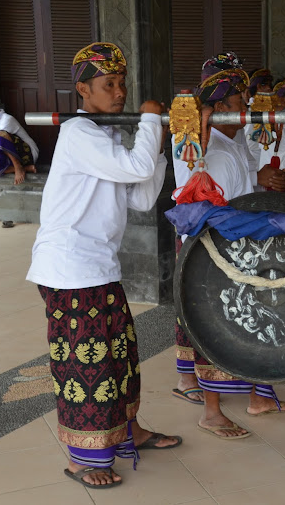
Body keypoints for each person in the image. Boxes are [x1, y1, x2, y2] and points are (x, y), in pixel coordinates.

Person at [26, 42, 181, 489]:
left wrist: (159, 143)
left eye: (121, 85)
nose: (119, 93)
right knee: (85, 366)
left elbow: (140, 195)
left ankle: (128, 430)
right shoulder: (80, 134)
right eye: (108, 85)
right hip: (69, 271)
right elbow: (135, 168)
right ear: (83, 91)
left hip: (98, 269)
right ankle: (82, 459)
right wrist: (152, 120)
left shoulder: (107, 135)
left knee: (120, 357)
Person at [174, 64, 285, 438]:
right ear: (216, 107)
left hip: (241, 249)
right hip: (213, 252)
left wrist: (263, 181)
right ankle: (212, 412)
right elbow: (212, 203)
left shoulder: (234, 141)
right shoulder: (208, 146)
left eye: (245, 96)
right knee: (218, 327)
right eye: (237, 98)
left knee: (253, 323)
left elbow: (243, 191)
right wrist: (256, 183)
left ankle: (259, 396)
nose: (245, 103)